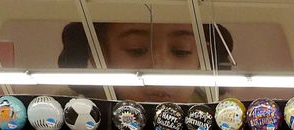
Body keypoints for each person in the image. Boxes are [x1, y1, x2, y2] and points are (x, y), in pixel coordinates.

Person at [58, 21, 235, 103]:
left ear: (203, 55)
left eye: (182, 51)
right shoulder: (64, 110)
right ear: (99, 54)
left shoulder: (225, 118)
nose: (161, 69)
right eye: (136, 50)